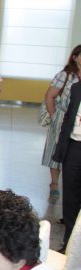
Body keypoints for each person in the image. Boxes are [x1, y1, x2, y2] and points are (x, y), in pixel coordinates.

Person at [42, 46, 80, 203]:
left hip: (78, 121)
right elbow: (49, 96)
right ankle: (55, 184)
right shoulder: (65, 75)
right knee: (56, 151)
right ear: (75, 57)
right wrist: (54, 117)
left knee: (73, 153)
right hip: (62, 118)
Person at [53, 73, 81, 252]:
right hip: (74, 146)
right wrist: (61, 148)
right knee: (70, 197)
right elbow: (68, 119)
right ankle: (68, 243)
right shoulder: (76, 88)